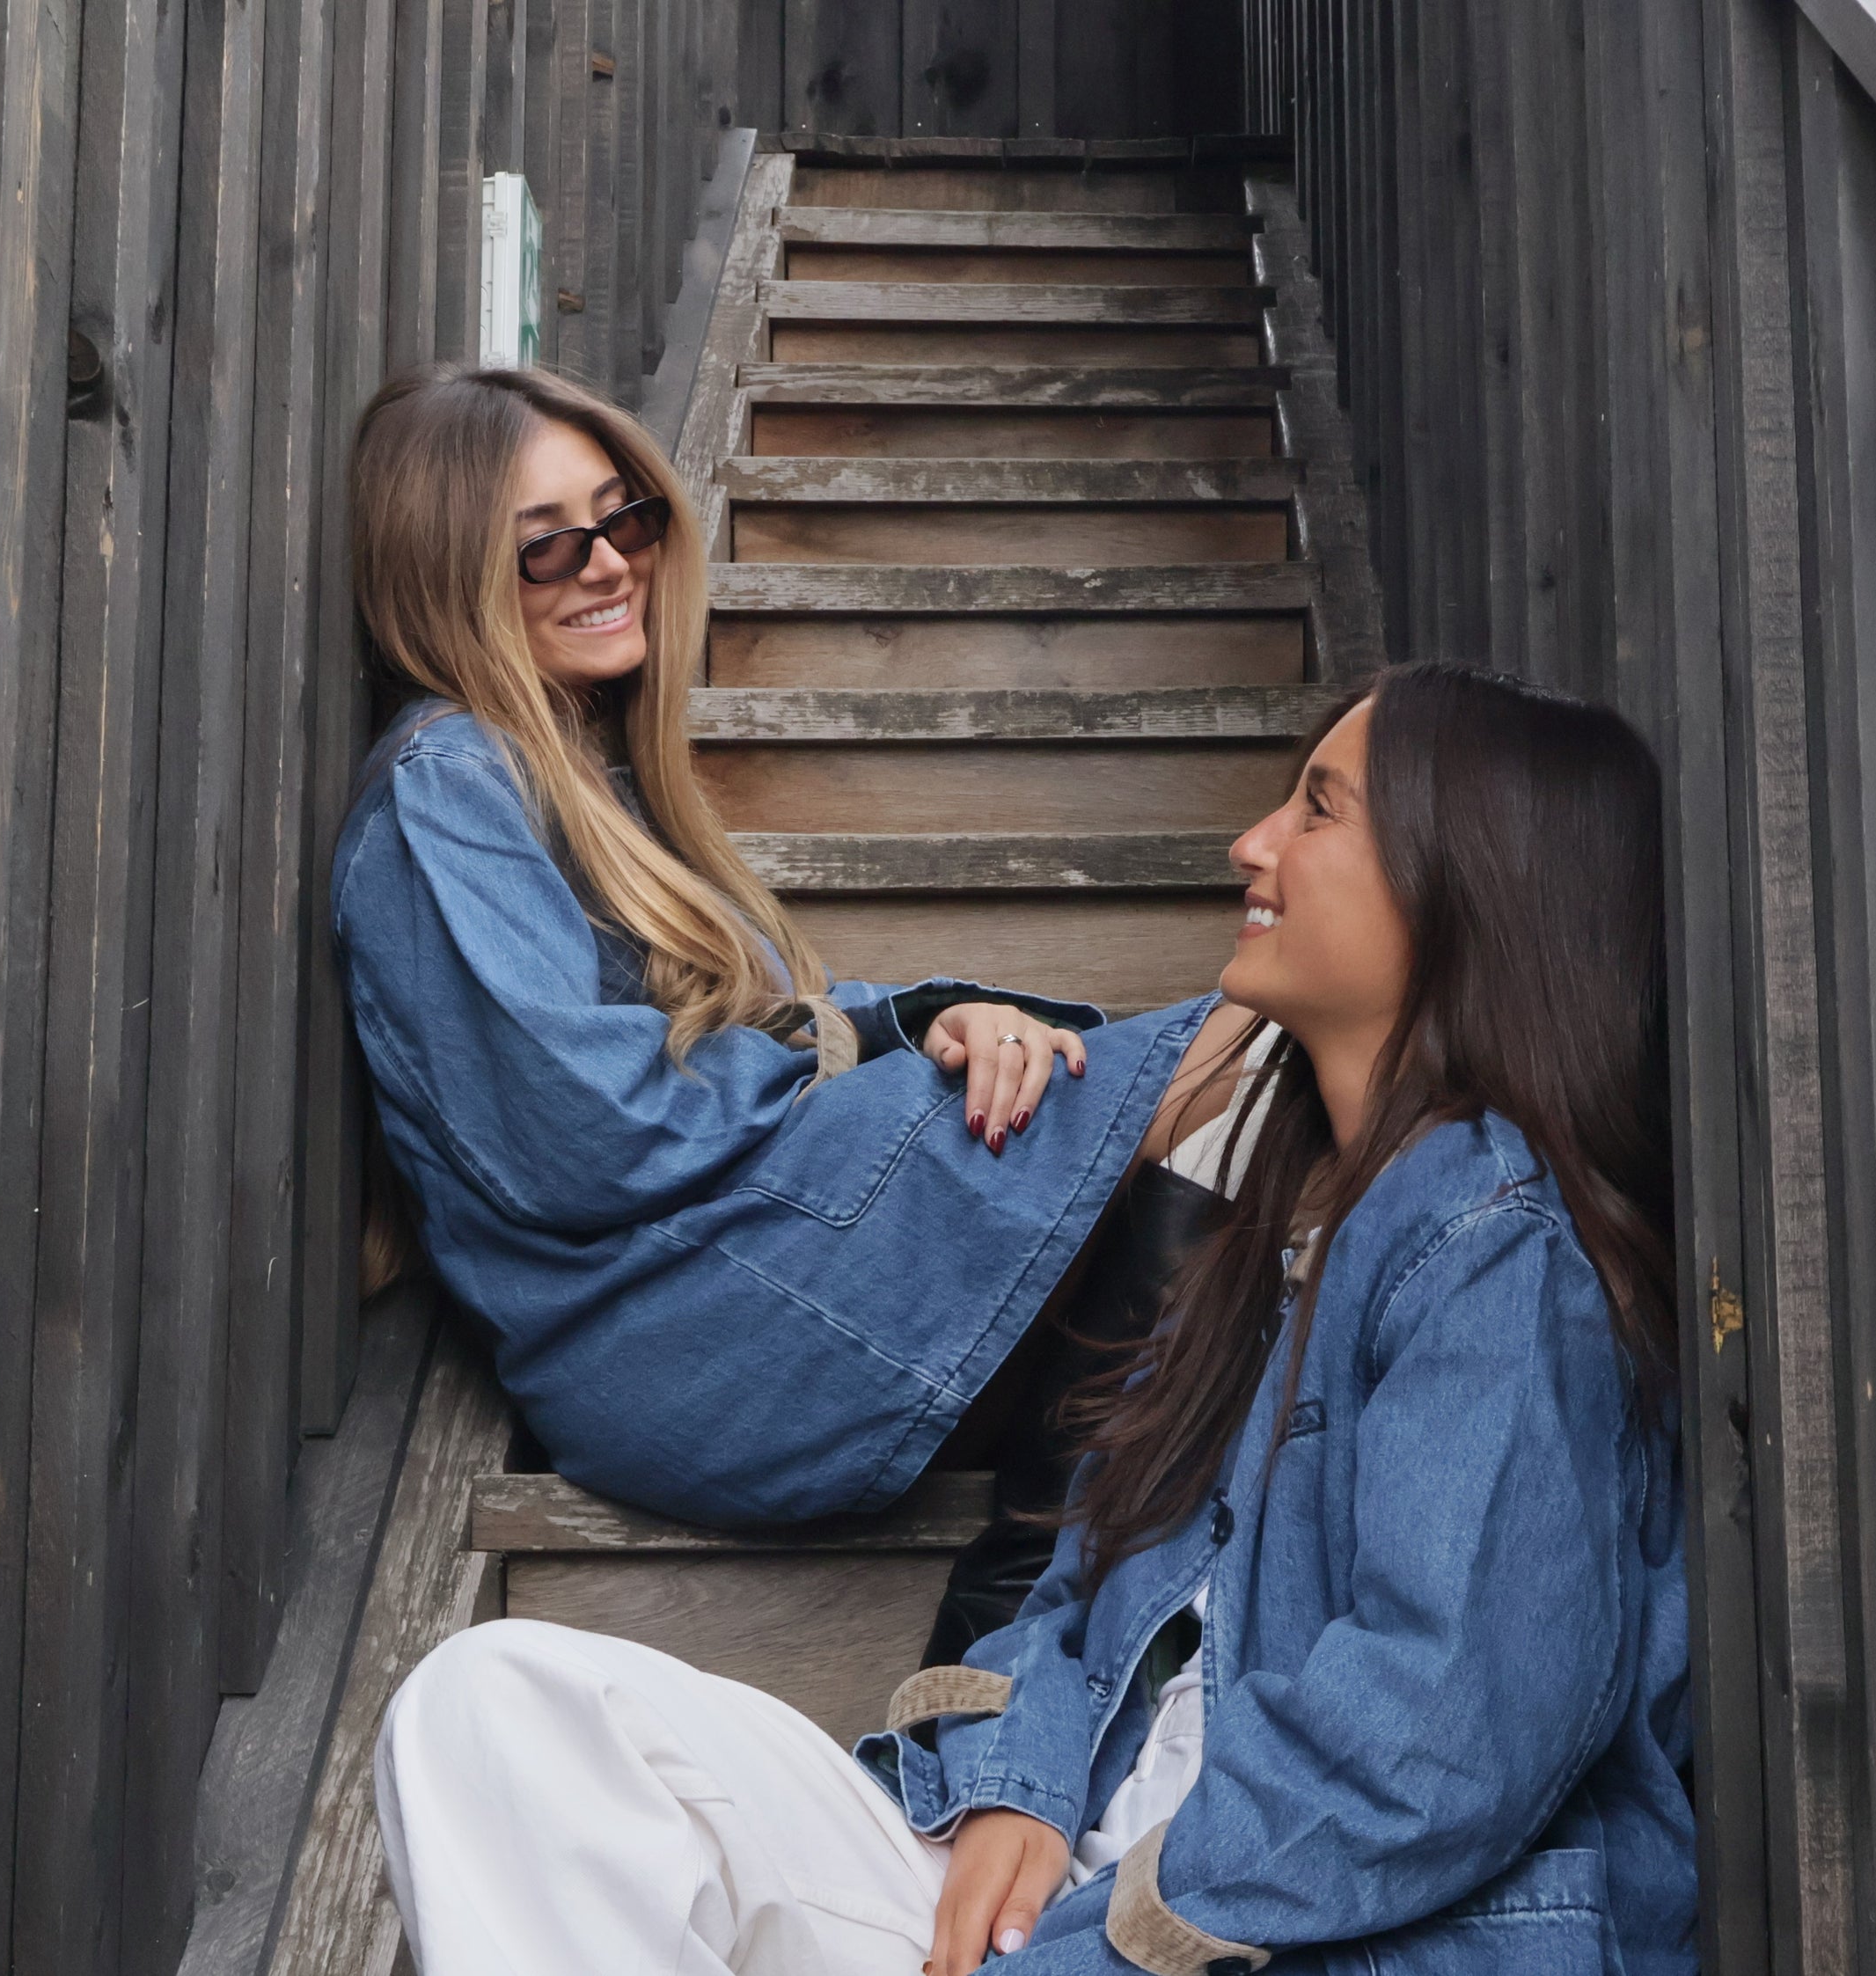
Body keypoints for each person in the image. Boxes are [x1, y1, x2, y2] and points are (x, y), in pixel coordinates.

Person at [373, 664, 1697, 1976]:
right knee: (498, 1710)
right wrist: (1024, 1777)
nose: (1252, 843)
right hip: (1071, 1881)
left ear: (1464, 878)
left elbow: (1438, 1740)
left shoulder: (1498, 1251)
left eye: (1318, 808)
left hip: (1244, 1935)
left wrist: (1094, 1941)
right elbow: (1079, 1578)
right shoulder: (1267, 1230)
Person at [332, 368, 1254, 1585]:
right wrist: (845, 1057)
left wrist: (928, 1019)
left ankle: (1030, 1596)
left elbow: (767, 1017)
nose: (607, 565)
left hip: (743, 1257)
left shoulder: (590, 773)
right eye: (547, 546)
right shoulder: (447, 784)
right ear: (444, 578)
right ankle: (1040, 1599)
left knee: (1222, 1116)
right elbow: (586, 1126)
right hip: (680, 1318)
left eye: (623, 519)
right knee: (1255, 1052)